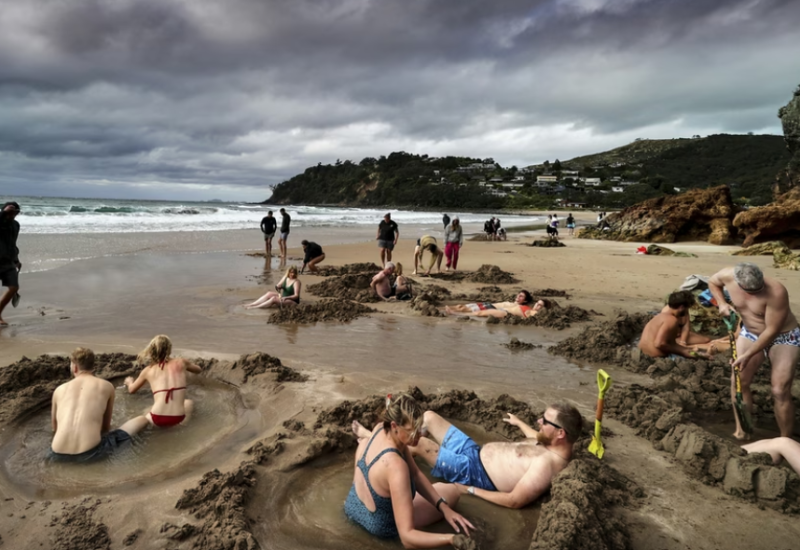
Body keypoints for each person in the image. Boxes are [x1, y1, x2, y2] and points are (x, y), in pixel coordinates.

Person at [345, 393, 474, 547]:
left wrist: (443, 508)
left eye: (420, 428)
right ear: (395, 426)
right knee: (451, 491)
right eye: (412, 432)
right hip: (380, 526)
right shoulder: (395, 466)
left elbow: (416, 474)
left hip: (353, 507)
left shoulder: (381, 428)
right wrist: (450, 539)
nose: (420, 435)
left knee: (441, 497)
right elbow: (407, 538)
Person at [410, 403, 582, 509]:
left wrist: (470, 490)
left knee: (420, 443)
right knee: (429, 417)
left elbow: (514, 500)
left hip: (471, 472)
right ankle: (407, 455)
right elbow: (534, 437)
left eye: (545, 421)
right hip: (473, 450)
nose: (539, 422)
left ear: (560, 433)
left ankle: (391, 465)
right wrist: (519, 423)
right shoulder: (550, 442)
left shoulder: (547, 465)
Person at [708, 263, 799, 439]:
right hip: (750, 332)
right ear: (738, 283)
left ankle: (785, 440)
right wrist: (722, 303)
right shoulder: (728, 275)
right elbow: (712, 282)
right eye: (750, 292)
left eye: (759, 289)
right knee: (739, 381)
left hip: (784, 336)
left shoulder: (777, 291)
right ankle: (743, 431)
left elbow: (771, 331)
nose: (755, 294)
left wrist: (748, 355)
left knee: (780, 390)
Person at [50, 348, 148, 462]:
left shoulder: (59, 390)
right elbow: (105, 428)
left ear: (75, 367)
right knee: (142, 419)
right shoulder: (106, 386)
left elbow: (55, 428)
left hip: (56, 453)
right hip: (90, 453)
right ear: (92, 366)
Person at [124, 335, 202, 428]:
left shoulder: (148, 370)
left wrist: (129, 382)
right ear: (169, 349)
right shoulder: (181, 362)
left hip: (156, 417)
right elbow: (198, 370)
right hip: (178, 418)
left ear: (152, 350)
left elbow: (132, 390)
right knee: (188, 402)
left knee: (148, 410)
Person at [639, 291, 711, 360]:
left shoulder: (659, 317)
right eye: (687, 308)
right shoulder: (671, 320)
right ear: (682, 307)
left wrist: (682, 347)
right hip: (656, 356)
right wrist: (682, 351)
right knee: (694, 354)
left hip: (643, 353)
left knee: (690, 350)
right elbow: (659, 344)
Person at [445, 291, 547, 319]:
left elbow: (538, 316)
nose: (536, 306)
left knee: (479, 313)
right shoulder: (528, 307)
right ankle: (451, 311)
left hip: (505, 313)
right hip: (503, 311)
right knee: (477, 312)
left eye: (540, 306)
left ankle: (454, 313)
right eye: (537, 303)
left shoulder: (532, 312)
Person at [0, 201, 22, 326]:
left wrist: (16, 260)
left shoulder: (15, 225)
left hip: (7, 260)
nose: (12, 215)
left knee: (13, 288)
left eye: (15, 212)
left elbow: (12, 243)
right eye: (9, 212)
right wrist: (3, 213)